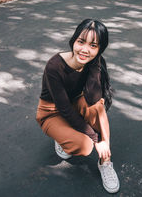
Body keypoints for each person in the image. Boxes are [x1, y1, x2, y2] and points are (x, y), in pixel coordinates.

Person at [36, 19, 120, 194]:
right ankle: (61, 137)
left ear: (99, 49)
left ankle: (106, 162)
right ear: (74, 40)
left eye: (93, 45)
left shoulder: (93, 61)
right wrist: (96, 139)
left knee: (97, 106)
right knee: (84, 146)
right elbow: (64, 108)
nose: (84, 49)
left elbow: (93, 96)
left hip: (74, 104)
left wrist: (95, 63)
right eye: (81, 42)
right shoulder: (55, 66)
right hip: (51, 112)